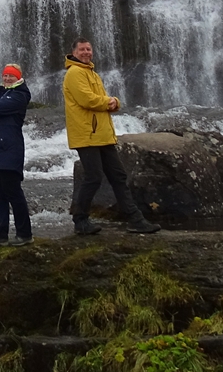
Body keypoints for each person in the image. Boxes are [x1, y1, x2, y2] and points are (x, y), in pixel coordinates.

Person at [63, 38, 158, 235]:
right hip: (87, 134)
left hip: (103, 134)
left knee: (118, 176)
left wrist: (114, 103)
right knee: (93, 177)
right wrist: (111, 101)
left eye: (88, 49)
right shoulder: (74, 73)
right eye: (82, 49)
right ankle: (80, 220)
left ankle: (135, 219)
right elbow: (87, 100)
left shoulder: (92, 73)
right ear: (74, 52)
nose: (86, 52)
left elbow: (99, 102)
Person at [0, 62, 33, 245]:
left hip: (9, 150)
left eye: (12, 76)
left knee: (13, 192)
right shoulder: (4, 96)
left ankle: (24, 234)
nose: (7, 78)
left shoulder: (19, 96)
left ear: (19, 78)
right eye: (5, 75)